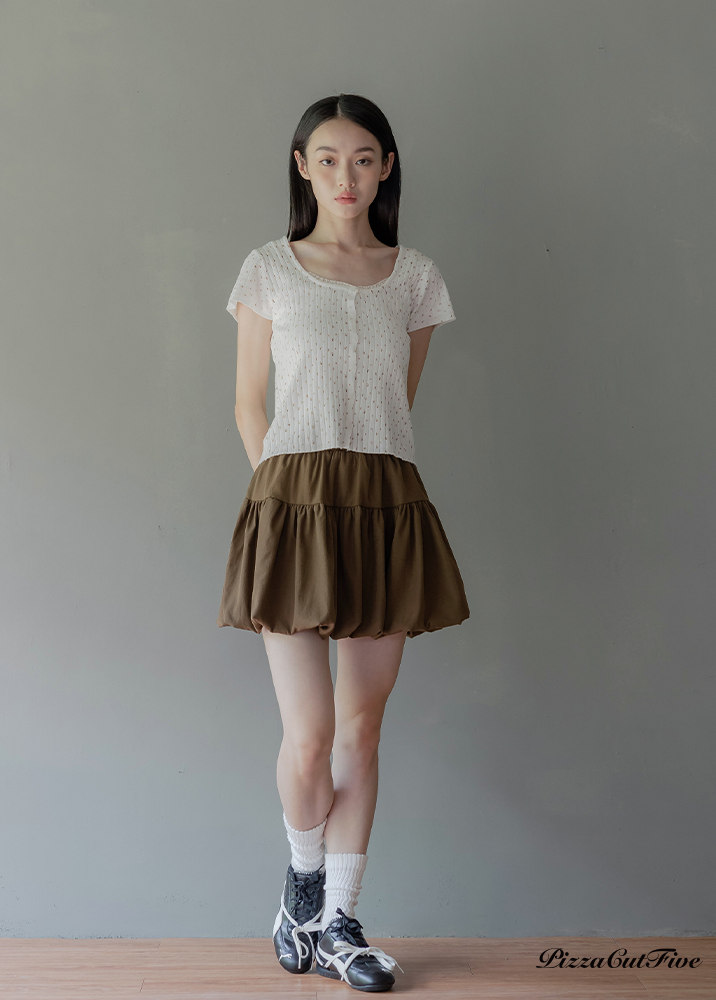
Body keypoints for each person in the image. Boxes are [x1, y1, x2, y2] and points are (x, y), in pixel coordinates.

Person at [217, 93, 470, 992]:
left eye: (363, 158)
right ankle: (302, 883)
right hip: (291, 507)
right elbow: (249, 404)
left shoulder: (416, 278)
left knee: (362, 732)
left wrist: (356, 490)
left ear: (386, 167)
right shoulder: (268, 269)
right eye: (326, 158)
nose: (346, 176)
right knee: (311, 736)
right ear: (302, 168)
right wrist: (282, 501)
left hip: (384, 503)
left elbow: (397, 401)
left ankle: (340, 924)